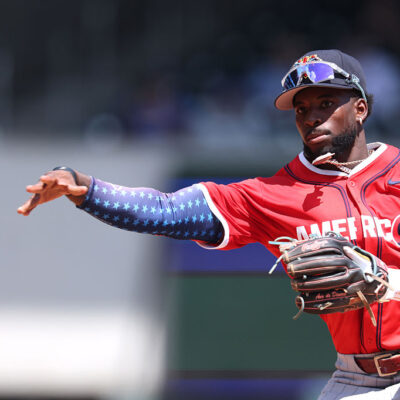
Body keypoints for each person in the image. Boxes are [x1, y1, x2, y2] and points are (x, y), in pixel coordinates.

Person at [18, 49, 400, 399]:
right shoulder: (273, 194)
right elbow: (166, 211)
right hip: (356, 379)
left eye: (326, 103)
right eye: (301, 109)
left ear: (361, 109)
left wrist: (388, 284)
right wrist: (85, 188)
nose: (312, 116)